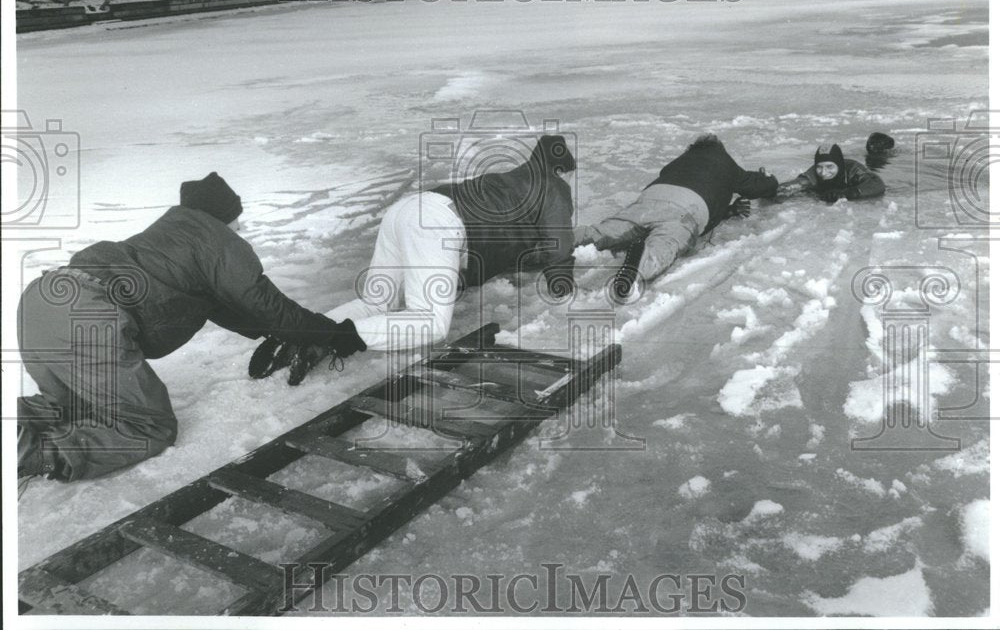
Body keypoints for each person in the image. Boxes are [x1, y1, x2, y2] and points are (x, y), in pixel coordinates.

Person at [16, 172, 365, 483]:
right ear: (223, 217)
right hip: (87, 317)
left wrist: (277, 334)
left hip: (42, 299)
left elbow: (226, 305)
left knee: (74, 404)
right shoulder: (218, 241)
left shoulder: (171, 234)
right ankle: (33, 456)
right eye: (237, 220)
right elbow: (268, 306)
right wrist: (332, 333)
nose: (241, 229)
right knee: (149, 427)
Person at [254, 134, 577, 384]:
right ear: (559, 168)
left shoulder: (510, 178)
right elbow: (558, 247)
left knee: (377, 302)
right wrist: (562, 283)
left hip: (411, 209)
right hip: (439, 223)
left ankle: (299, 334)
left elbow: (495, 232)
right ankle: (334, 338)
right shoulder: (553, 186)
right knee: (430, 323)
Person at [575, 134, 778, 284]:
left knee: (604, 231)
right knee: (666, 244)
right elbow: (757, 187)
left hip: (649, 199)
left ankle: (560, 239)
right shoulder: (725, 162)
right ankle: (641, 262)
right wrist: (770, 180)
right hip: (686, 209)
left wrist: (728, 210)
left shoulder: (678, 162)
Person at [789, 143, 886, 202]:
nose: (823, 172)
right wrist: (775, 189)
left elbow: (877, 184)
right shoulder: (812, 173)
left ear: (839, 165)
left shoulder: (853, 169)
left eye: (829, 166)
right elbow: (794, 185)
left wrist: (847, 193)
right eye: (819, 167)